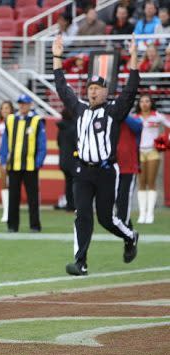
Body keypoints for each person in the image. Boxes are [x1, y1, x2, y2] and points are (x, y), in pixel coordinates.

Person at [52, 34, 140, 276]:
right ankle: (80, 263)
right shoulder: (79, 109)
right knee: (82, 215)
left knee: (106, 219)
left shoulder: (113, 111)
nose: (92, 92)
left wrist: (133, 59)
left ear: (105, 91)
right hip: (82, 170)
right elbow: (62, 87)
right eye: (90, 88)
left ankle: (130, 236)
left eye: (97, 88)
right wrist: (57, 57)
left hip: (105, 171)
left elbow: (130, 92)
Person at [0, 94, 46, 233]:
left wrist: (38, 163)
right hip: (13, 165)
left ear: (30, 104)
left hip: (31, 166)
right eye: (20, 103)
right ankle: (12, 226)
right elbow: (5, 143)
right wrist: (3, 160)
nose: (22, 106)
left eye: (24, 103)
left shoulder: (37, 121)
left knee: (33, 198)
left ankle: (35, 225)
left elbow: (42, 144)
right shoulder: (11, 120)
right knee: (13, 197)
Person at [134, 94, 170, 224]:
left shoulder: (157, 116)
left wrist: (167, 140)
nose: (144, 104)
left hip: (153, 151)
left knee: (151, 181)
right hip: (139, 152)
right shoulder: (135, 118)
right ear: (139, 104)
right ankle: (142, 213)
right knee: (141, 182)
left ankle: (150, 213)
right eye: (142, 101)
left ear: (151, 103)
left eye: (147, 101)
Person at [115, 115, 142, 229]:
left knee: (124, 196)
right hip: (113, 165)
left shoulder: (135, 119)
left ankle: (124, 224)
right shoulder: (112, 118)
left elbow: (137, 127)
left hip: (128, 166)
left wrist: (123, 113)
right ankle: (124, 223)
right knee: (115, 196)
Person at [56, 106, 77, 212]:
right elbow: (77, 143)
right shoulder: (74, 127)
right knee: (75, 183)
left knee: (68, 183)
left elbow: (59, 143)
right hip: (74, 160)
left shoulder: (61, 128)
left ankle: (70, 205)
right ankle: (75, 204)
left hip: (63, 159)